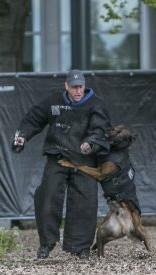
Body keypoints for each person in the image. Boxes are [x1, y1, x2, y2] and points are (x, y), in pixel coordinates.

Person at [12, 69, 111, 260]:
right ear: (66, 86)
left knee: (85, 202)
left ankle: (80, 247)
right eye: (74, 87)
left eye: (80, 87)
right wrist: (22, 136)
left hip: (84, 161)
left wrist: (90, 143)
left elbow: (101, 130)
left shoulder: (96, 104)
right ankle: (46, 243)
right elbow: (34, 118)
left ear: (84, 86)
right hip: (57, 156)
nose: (78, 91)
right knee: (47, 196)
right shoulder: (54, 101)